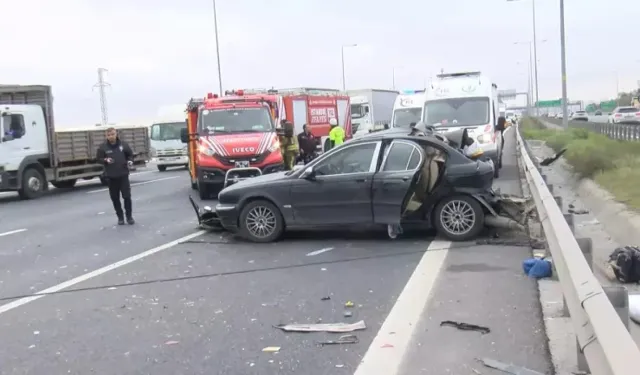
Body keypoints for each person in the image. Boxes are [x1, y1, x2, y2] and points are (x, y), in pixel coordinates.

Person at [96, 127, 135, 225]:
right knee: (115, 198)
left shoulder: (123, 145)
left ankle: (129, 217)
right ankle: (120, 217)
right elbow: (98, 158)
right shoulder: (103, 147)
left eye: (112, 134)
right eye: (108, 135)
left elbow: (130, 155)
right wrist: (105, 160)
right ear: (106, 136)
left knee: (126, 197)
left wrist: (130, 161)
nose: (111, 137)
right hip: (111, 176)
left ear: (116, 134)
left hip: (123, 175)